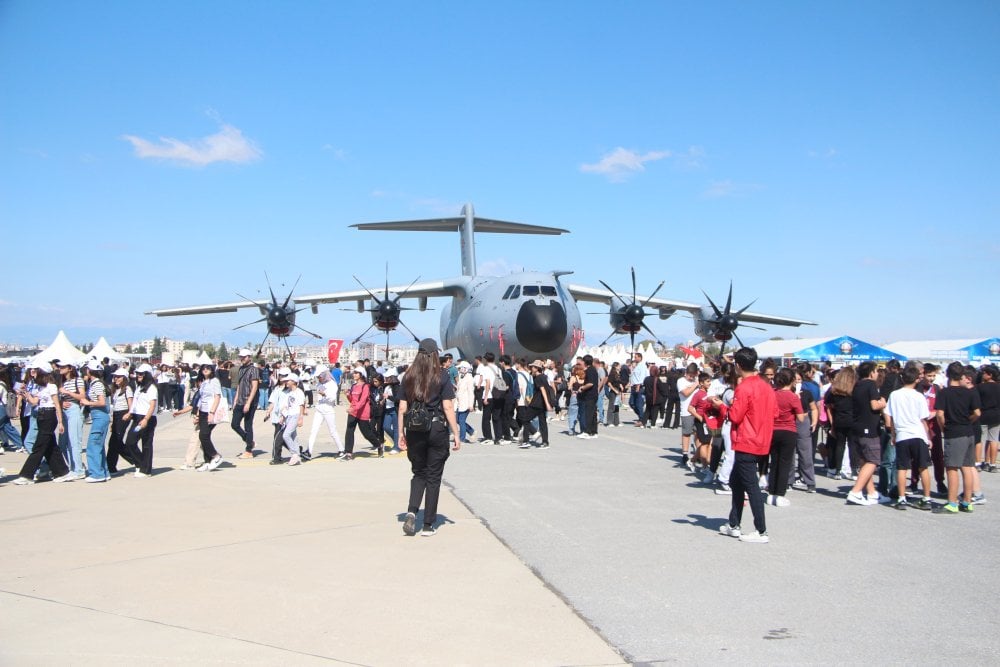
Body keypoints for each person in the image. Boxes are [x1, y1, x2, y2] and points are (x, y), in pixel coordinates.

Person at [399, 338, 461, 536]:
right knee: (433, 477)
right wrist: (456, 432)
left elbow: (402, 408)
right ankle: (428, 524)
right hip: (435, 428)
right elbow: (448, 406)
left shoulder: (408, 375)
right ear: (435, 354)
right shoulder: (441, 376)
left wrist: (400, 433)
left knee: (419, 473)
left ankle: (411, 510)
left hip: (414, 429)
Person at [719, 347, 776, 544]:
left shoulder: (744, 387)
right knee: (736, 482)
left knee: (751, 487)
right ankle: (734, 523)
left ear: (738, 365)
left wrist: (724, 406)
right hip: (762, 438)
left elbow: (735, 415)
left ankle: (761, 530)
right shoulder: (766, 386)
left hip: (747, 440)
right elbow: (774, 412)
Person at [934, 361, 981, 513]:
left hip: (953, 432)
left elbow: (940, 414)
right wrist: (969, 420)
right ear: (962, 375)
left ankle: (952, 503)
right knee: (967, 467)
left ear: (947, 375)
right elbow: (978, 412)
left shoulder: (944, 393)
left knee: (952, 468)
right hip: (968, 431)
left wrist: (943, 427)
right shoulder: (970, 392)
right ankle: (967, 502)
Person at [13, 363, 72, 485]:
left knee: (39, 447)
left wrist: (60, 422)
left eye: (36, 370)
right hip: (41, 415)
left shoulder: (51, 387)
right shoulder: (41, 387)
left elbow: (57, 405)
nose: (33, 372)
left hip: (49, 416)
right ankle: (62, 472)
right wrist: (26, 394)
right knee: (51, 446)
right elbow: (34, 402)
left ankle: (26, 475)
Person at [885, 365, 933, 510]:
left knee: (902, 468)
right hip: (918, 434)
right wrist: (928, 437)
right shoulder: (919, 396)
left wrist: (893, 434)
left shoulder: (894, 395)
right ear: (916, 380)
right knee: (922, 467)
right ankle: (927, 498)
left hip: (902, 434)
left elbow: (891, 417)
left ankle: (901, 498)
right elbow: (923, 419)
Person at [846, 362, 888, 505]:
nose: (877, 373)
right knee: (873, 460)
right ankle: (856, 491)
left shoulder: (857, 385)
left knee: (865, 460)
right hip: (868, 428)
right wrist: (883, 402)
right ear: (871, 372)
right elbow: (874, 405)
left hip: (857, 427)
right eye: (876, 371)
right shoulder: (871, 385)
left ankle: (872, 493)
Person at [766, 368, 804, 507]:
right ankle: (780, 494)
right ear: (792, 381)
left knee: (774, 462)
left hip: (773, 430)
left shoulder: (772, 393)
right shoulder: (793, 397)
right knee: (785, 464)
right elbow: (800, 418)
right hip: (788, 431)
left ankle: (771, 492)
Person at [123, 364, 158, 478]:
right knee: (130, 441)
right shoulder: (139, 387)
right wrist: (130, 413)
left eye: (141, 374)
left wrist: (146, 419)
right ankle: (141, 463)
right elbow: (135, 402)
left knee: (146, 444)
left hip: (147, 417)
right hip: (137, 417)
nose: (138, 376)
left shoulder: (151, 388)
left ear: (147, 375)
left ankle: (146, 470)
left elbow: (152, 405)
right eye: (137, 373)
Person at [79, 360, 111, 482]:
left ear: (89, 371)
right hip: (98, 416)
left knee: (93, 445)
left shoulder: (96, 384)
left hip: (99, 416)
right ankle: (103, 471)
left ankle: (97, 474)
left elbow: (102, 402)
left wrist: (88, 403)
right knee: (99, 445)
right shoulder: (95, 383)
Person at [56, 360, 87, 479]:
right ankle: (72, 467)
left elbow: (82, 396)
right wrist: (61, 402)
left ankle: (78, 469)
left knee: (74, 442)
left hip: (74, 409)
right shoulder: (62, 382)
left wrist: (67, 392)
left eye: (63, 367)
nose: (60, 369)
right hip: (64, 411)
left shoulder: (77, 380)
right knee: (63, 443)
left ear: (70, 368)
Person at [307, 365, 345, 458]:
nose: (318, 378)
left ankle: (341, 450)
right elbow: (319, 393)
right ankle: (308, 451)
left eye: (319, 376)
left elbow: (332, 399)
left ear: (324, 375)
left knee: (332, 431)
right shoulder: (320, 383)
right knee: (313, 430)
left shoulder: (332, 384)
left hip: (328, 409)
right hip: (319, 408)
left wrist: (324, 394)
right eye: (317, 377)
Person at [342, 367, 380, 460]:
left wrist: (354, 409)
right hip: (353, 412)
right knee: (349, 431)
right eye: (354, 373)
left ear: (361, 375)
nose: (354, 374)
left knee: (366, 433)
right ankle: (348, 452)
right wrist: (348, 395)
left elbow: (362, 401)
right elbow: (352, 400)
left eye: (356, 373)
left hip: (362, 413)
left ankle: (378, 445)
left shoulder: (365, 386)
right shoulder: (354, 386)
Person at [195, 364, 225, 472]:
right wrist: (198, 414)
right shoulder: (203, 382)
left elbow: (217, 396)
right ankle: (207, 461)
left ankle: (216, 456)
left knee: (204, 435)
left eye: (208, 368)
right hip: (203, 411)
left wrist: (212, 412)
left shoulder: (214, 381)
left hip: (210, 411)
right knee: (203, 435)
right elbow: (201, 398)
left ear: (212, 370)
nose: (205, 370)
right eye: (203, 368)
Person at [231, 349, 260, 459]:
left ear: (249, 357)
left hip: (249, 402)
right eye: (240, 357)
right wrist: (235, 400)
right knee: (234, 424)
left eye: (244, 357)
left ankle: (248, 451)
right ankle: (249, 441)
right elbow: (239, 385)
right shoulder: (241, 369)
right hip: (240, 400)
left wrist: (248, 403)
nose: (242, 359)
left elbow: (255, 387)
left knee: (248, 425)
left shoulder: (254, 370)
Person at [106, 368, 135, 474]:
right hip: (117, 415)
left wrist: (129, 414)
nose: (116, 379)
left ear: (124, 378)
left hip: (124, 415)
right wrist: (112, 422)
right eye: (115, 377)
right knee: (114, 442)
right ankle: (111, 466)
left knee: (116, 441)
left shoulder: (127, 389)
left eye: (118, 377)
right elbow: (114, 408)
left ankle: (111, 466)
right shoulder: (116, 390)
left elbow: (130, 404)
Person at [454, 361, 476, 443]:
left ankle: (462, 438)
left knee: (461, 420)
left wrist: (471, 405)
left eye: (460, 368)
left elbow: (471, 392)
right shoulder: (461, 376)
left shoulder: (470, 378)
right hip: (459, 403)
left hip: (466, 403)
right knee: (457, 420)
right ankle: (471, 431)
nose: (459, 370)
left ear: (465, 368)